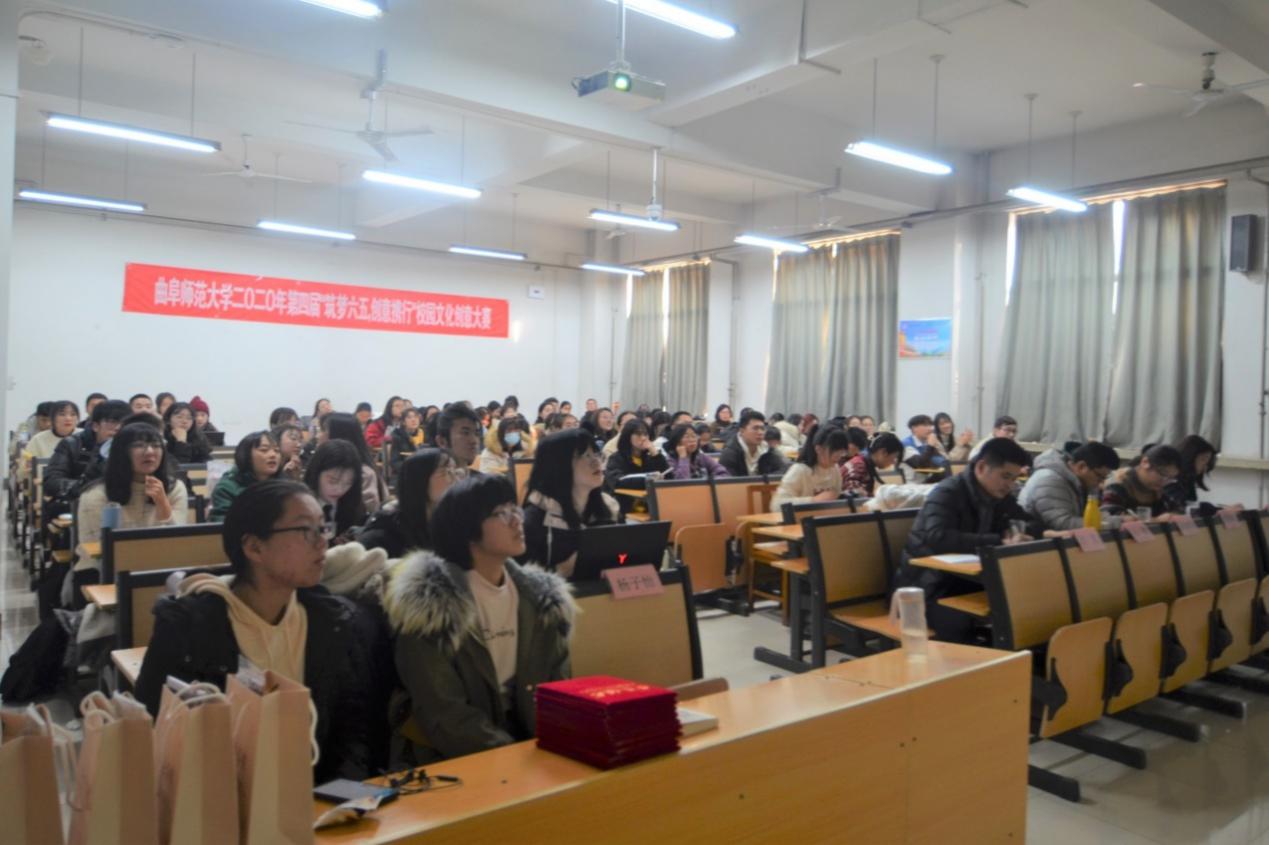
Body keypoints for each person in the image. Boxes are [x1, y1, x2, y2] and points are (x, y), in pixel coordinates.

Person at [135, 480, 372, 781]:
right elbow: (157, 730)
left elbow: (353, 729)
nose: (322, 542)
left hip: (318, 796)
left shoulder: (332, 621)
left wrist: (338, 797)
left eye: (322, 528)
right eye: (305, 530)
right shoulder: (189, 626)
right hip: (219, 797)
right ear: (254, 547)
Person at [386, 474, 573, 762]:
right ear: (467, 529)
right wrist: (514, 757)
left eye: (514, 508)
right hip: (449, 759)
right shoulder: (431, 606)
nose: (516, 520)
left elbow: (559, 687)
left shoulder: (541, 599)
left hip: (533, 750)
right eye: (501, 513)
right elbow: (444, 711)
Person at [894, 437, 1039, 642]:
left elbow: (1027, 519)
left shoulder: (999, 496)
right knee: (961, 622)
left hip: (966, 580)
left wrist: (1037, 533)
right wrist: (998, 541)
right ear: (981, 467)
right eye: (1005, 476)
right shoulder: (947, 492)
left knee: (1024, 605)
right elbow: (937, 537)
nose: (1010, 485)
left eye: (1014, 478)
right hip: (926, 585)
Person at [75, 423, 189, 569]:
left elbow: (179, 543)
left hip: (161, 567)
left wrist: (162, 504)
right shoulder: (96, 494)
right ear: (121, 452)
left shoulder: (175, 488)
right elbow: (97, 552)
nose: (149, 452)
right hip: (102, 571)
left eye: (156, 445)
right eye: (139, 445)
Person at [520, 429, 621, 576]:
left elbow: (621, 557)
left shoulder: (609, 508)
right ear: (558, 466)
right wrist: (561, 570)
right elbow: (522, 581)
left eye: (596, 453)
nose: (596, 462)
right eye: (585, 455)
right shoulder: (532, 523)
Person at [359, 449, 464, 558]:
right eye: (447, 471)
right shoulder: (385, 534)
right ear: (419, 480)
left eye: (456, 471)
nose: (456, 479)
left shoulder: (451, 525)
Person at [1020, 441, 1122, 531]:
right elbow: (1063, 524)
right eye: (1099, 476)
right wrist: (1114, 523)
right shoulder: (1050, 480)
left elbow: (1091, 515)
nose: (1101, 482)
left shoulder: (1085, 482)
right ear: (1081, 466)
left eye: (1104, 478)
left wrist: (1119, 519)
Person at [46, 399, 129, 508]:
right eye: (112, 422)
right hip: (78, 506)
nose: (118, 428)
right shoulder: (71, 444)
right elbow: (52, 483)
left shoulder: (133, 446)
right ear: (95, 426)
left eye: (124, 423)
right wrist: (85, 486)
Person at [321, 412, 389, 513]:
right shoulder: (325, 465)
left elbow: (366, 512)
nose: (319, 436)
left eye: (324, 430)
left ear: (337, 436)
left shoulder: (364, 474)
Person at [771, 426, 852, 508]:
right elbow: (777, 505)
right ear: (818, 449)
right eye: (835, 452)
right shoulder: (800, 470)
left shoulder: (835, 469)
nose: (839, 457)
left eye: (842, 452)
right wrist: (813, 500)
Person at [210, 431, 281, 522]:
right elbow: (223, 523)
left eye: (277, 450)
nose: (273, 455)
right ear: (246, 455)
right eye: (264, 450)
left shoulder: (284, 484)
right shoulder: (226, 488)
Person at [304, 440, 366, 543]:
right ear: (316, 472)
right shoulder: (300, 505)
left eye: (348, 483)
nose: (339, 489)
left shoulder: (354, 504)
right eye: (333, 481)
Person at [1102, 444, 1183, 519]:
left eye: (1170, 478)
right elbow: (1110, 516)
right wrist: (1156, 521)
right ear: (1145, 462)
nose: (1164, 481)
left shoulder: (1159, 486)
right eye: (1162, 474)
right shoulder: (1118, 484)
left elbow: (1178, 509)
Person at [604, 419, 670, 490]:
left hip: (650, 496)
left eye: (645, 434)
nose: (643, 438)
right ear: (628, 436)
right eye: (638, 434)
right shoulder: (617, 458)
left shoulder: (651, 458)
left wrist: (655, 453)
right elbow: (617, 481)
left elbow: (669, 478)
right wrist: (647, 479)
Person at [20, 400, 79, 480]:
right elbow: (22, 473)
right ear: (52, 418)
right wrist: (27, 468)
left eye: (73, 414)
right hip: (45, 483)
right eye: (62, 414)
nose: (68, 418)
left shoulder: (85, 436)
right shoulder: (37, 439)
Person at [718, 410, 785, 477]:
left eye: (762, 428)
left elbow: (783, 469)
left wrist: (765, 479)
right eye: (755, 428)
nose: (760, 432)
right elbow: (727, 480)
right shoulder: (730, 452)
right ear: (742, 431)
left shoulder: (766, 448)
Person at [842, 432, 904, 498]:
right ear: (884, 452)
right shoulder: (858, 466)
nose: (893, 462)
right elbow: (854, 497)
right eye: (894, 457)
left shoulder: (863, 463)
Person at [663, 424, 730, 480]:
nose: (692, 440)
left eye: (694, 436)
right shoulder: (670, 461)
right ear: (677, 441)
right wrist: (683, 458)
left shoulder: (702, 457)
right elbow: (682, 482)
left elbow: (723, 473)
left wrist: (710, 482)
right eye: (687, 437)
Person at [1167, 435, 1217, 510]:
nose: (1205, 465)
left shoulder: (1188, 479)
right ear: (1189, 457)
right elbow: (1181, 508)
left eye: (1207, 461)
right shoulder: (1170, 481)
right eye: (1203, 459)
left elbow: (1191, 504)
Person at [433, 403, 483, 470]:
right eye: (465, 433)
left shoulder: (482, 476)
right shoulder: (428, 476)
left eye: (477, 433)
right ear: (442, 441)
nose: (474, 441)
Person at [390, 407, 426, 472]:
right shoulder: (397, 437)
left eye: (416, 417)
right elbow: (395, 462)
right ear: (403, 422)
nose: (413, 420)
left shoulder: (424, 433)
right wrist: (410, 468)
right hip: (406, 470)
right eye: (409, 417)